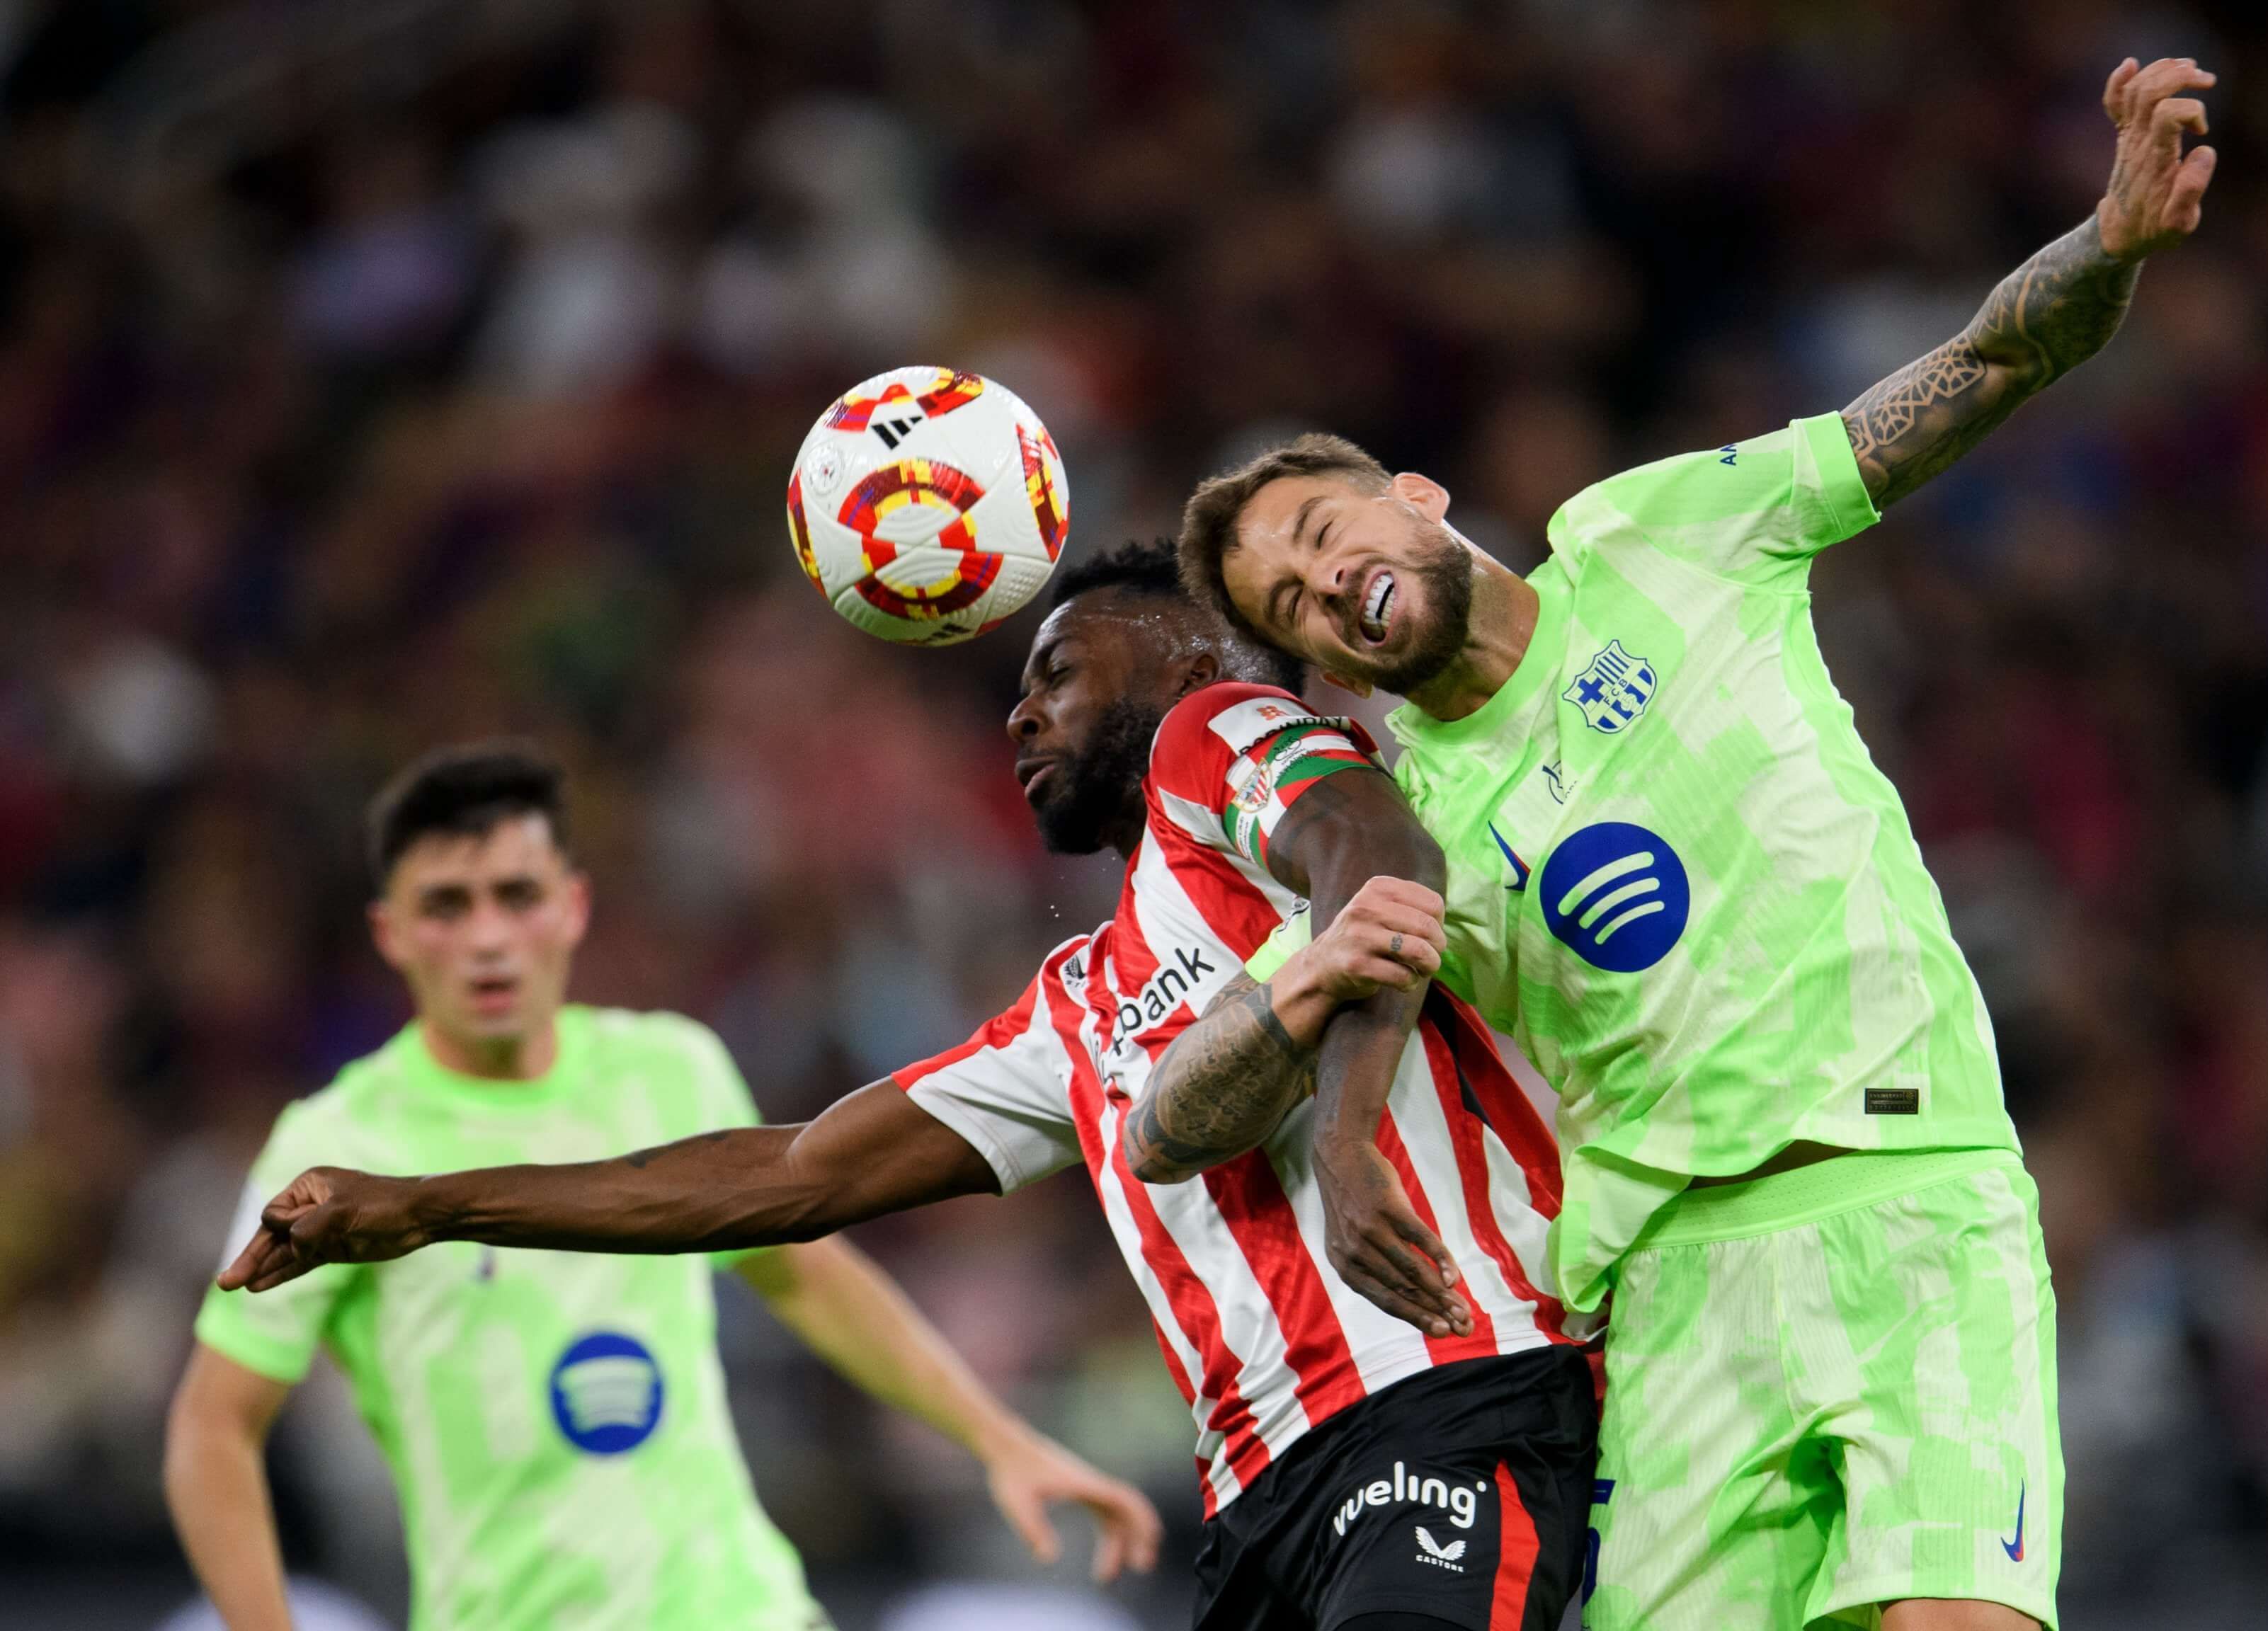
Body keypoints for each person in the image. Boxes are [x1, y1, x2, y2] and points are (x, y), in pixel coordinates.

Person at [1172, 56, 2221, 1631]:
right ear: (1316, 666)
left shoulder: (1657, 533)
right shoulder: (1402, 832)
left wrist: (2112, 243)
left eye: (1325, 538)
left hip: (1912, 1199)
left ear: (1414, 494)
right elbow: (1168, 1124)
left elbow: (1980, 366)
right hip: (1670, 1307)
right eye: (1291, 609)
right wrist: (1309, 1028)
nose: (1326, 589)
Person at [215, 544, 1604, 1631]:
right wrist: (427, 1206)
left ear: (1187, 648)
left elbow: (1375, 849)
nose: (1019, 706)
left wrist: (1350, 1139)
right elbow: (794, 1175)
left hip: (1451, 1389)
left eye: (1058, 666)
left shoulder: (1216, 737)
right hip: (1257, 1492)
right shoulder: (1074, 1010)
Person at [164, 743, 1161, 1631]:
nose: (487, 938)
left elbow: (807, 1277)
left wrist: (997, 1439)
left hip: (740, 1608)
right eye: (446, 905)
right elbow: (215, 1427)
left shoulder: (671, 1070)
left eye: (517, 895)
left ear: (573, 907)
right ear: (390, 932)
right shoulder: (339, 1143)